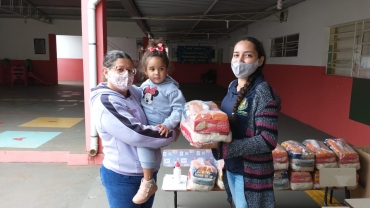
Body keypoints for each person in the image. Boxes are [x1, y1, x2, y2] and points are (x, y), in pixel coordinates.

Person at [90, 50, 178, 208]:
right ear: (105, 71)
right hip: (123, 177)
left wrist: (179, 113)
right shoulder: (105, 102)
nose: (126, 74)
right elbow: (136, 134)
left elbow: (160, 97)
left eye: (130, 70)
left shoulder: (133, 92)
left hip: (148, 171)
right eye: (120, 69)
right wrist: (171, 132)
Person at [209, 37, 281, 208]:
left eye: (247, 55)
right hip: (232, 166)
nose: (239, 61)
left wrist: (223, 148)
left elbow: (267, 139)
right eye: (236, 55)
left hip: (250, 172)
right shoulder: (233, 86)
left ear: (260, 60)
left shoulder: (263, 92)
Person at [135, 39, 186, 204]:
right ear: (145, 70)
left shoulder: (172, 89)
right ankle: (152, 168)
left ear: (168, 69)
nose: (157, 73)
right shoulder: (144, 85)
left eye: (161, 69)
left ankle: (148, 181)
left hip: (162, 128)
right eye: (152, 69)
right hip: (149, 126)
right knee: (147, 146)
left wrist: (170, 125)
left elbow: (179, 109)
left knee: (143, 144)